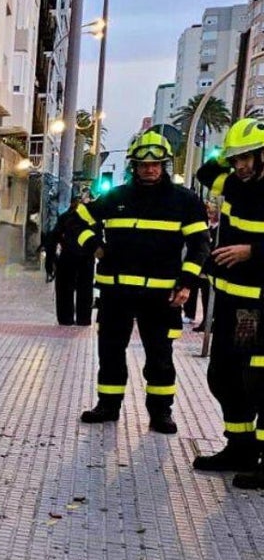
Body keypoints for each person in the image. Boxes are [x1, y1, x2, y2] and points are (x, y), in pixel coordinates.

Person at [69, 130, 210, 433]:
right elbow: (76, 220)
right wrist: (94, 245)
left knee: (159, 356)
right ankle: (108, 405)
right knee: (110, 350)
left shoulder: (184, 201)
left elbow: (200, 245)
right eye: (144, 164)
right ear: (133, 165)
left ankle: (161, 413)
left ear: (164, 165)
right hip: (115, 292)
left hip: (161, 296)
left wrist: (186, 282)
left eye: (157, 164)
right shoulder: (115, 197)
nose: (150, 169)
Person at [193, 117, 264, 483]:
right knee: (224, 376)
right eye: (237, 159)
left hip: (259, 305)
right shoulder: (234, 184)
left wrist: (252, 252)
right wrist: (229, 150)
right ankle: (240, 446)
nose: (241, 165)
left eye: (249, 157)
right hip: (234, 304)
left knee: (259, 381)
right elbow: (207, 171)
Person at [45, 188, 95, 325]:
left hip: (69, 259)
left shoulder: (65, 217)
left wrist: (49, 261)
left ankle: (66, 319)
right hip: (84, 259)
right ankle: (83, 319)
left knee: (65, 291)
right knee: (84, 290)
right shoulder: (91, 219)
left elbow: (52, 239)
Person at [183, 199, 217, 331]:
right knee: (196, 292)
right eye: (208, 212)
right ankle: (192, 315)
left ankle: (208, 321)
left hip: (209, 268)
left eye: (212, 212)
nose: (210, 214)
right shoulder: (204, 225)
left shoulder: (219, 228)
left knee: (208, 296)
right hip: (198, 267)